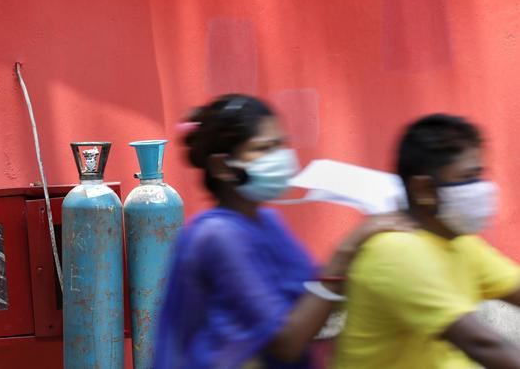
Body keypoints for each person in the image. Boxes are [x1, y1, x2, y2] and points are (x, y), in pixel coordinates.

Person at [153, 94, 411, 369]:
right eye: (264, 148)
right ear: (221, 167)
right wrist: (350, 247)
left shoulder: (267, 220)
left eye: (281, 145)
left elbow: (309, 296)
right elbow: (285, 343)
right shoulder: (220, 235)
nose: (280, 157)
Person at [333, 113, 520, 369]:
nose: (481, 188)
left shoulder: (457, 241)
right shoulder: (396, 252)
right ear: (423, 190)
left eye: (479, 175)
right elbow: (481, 345)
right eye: (467, 178)